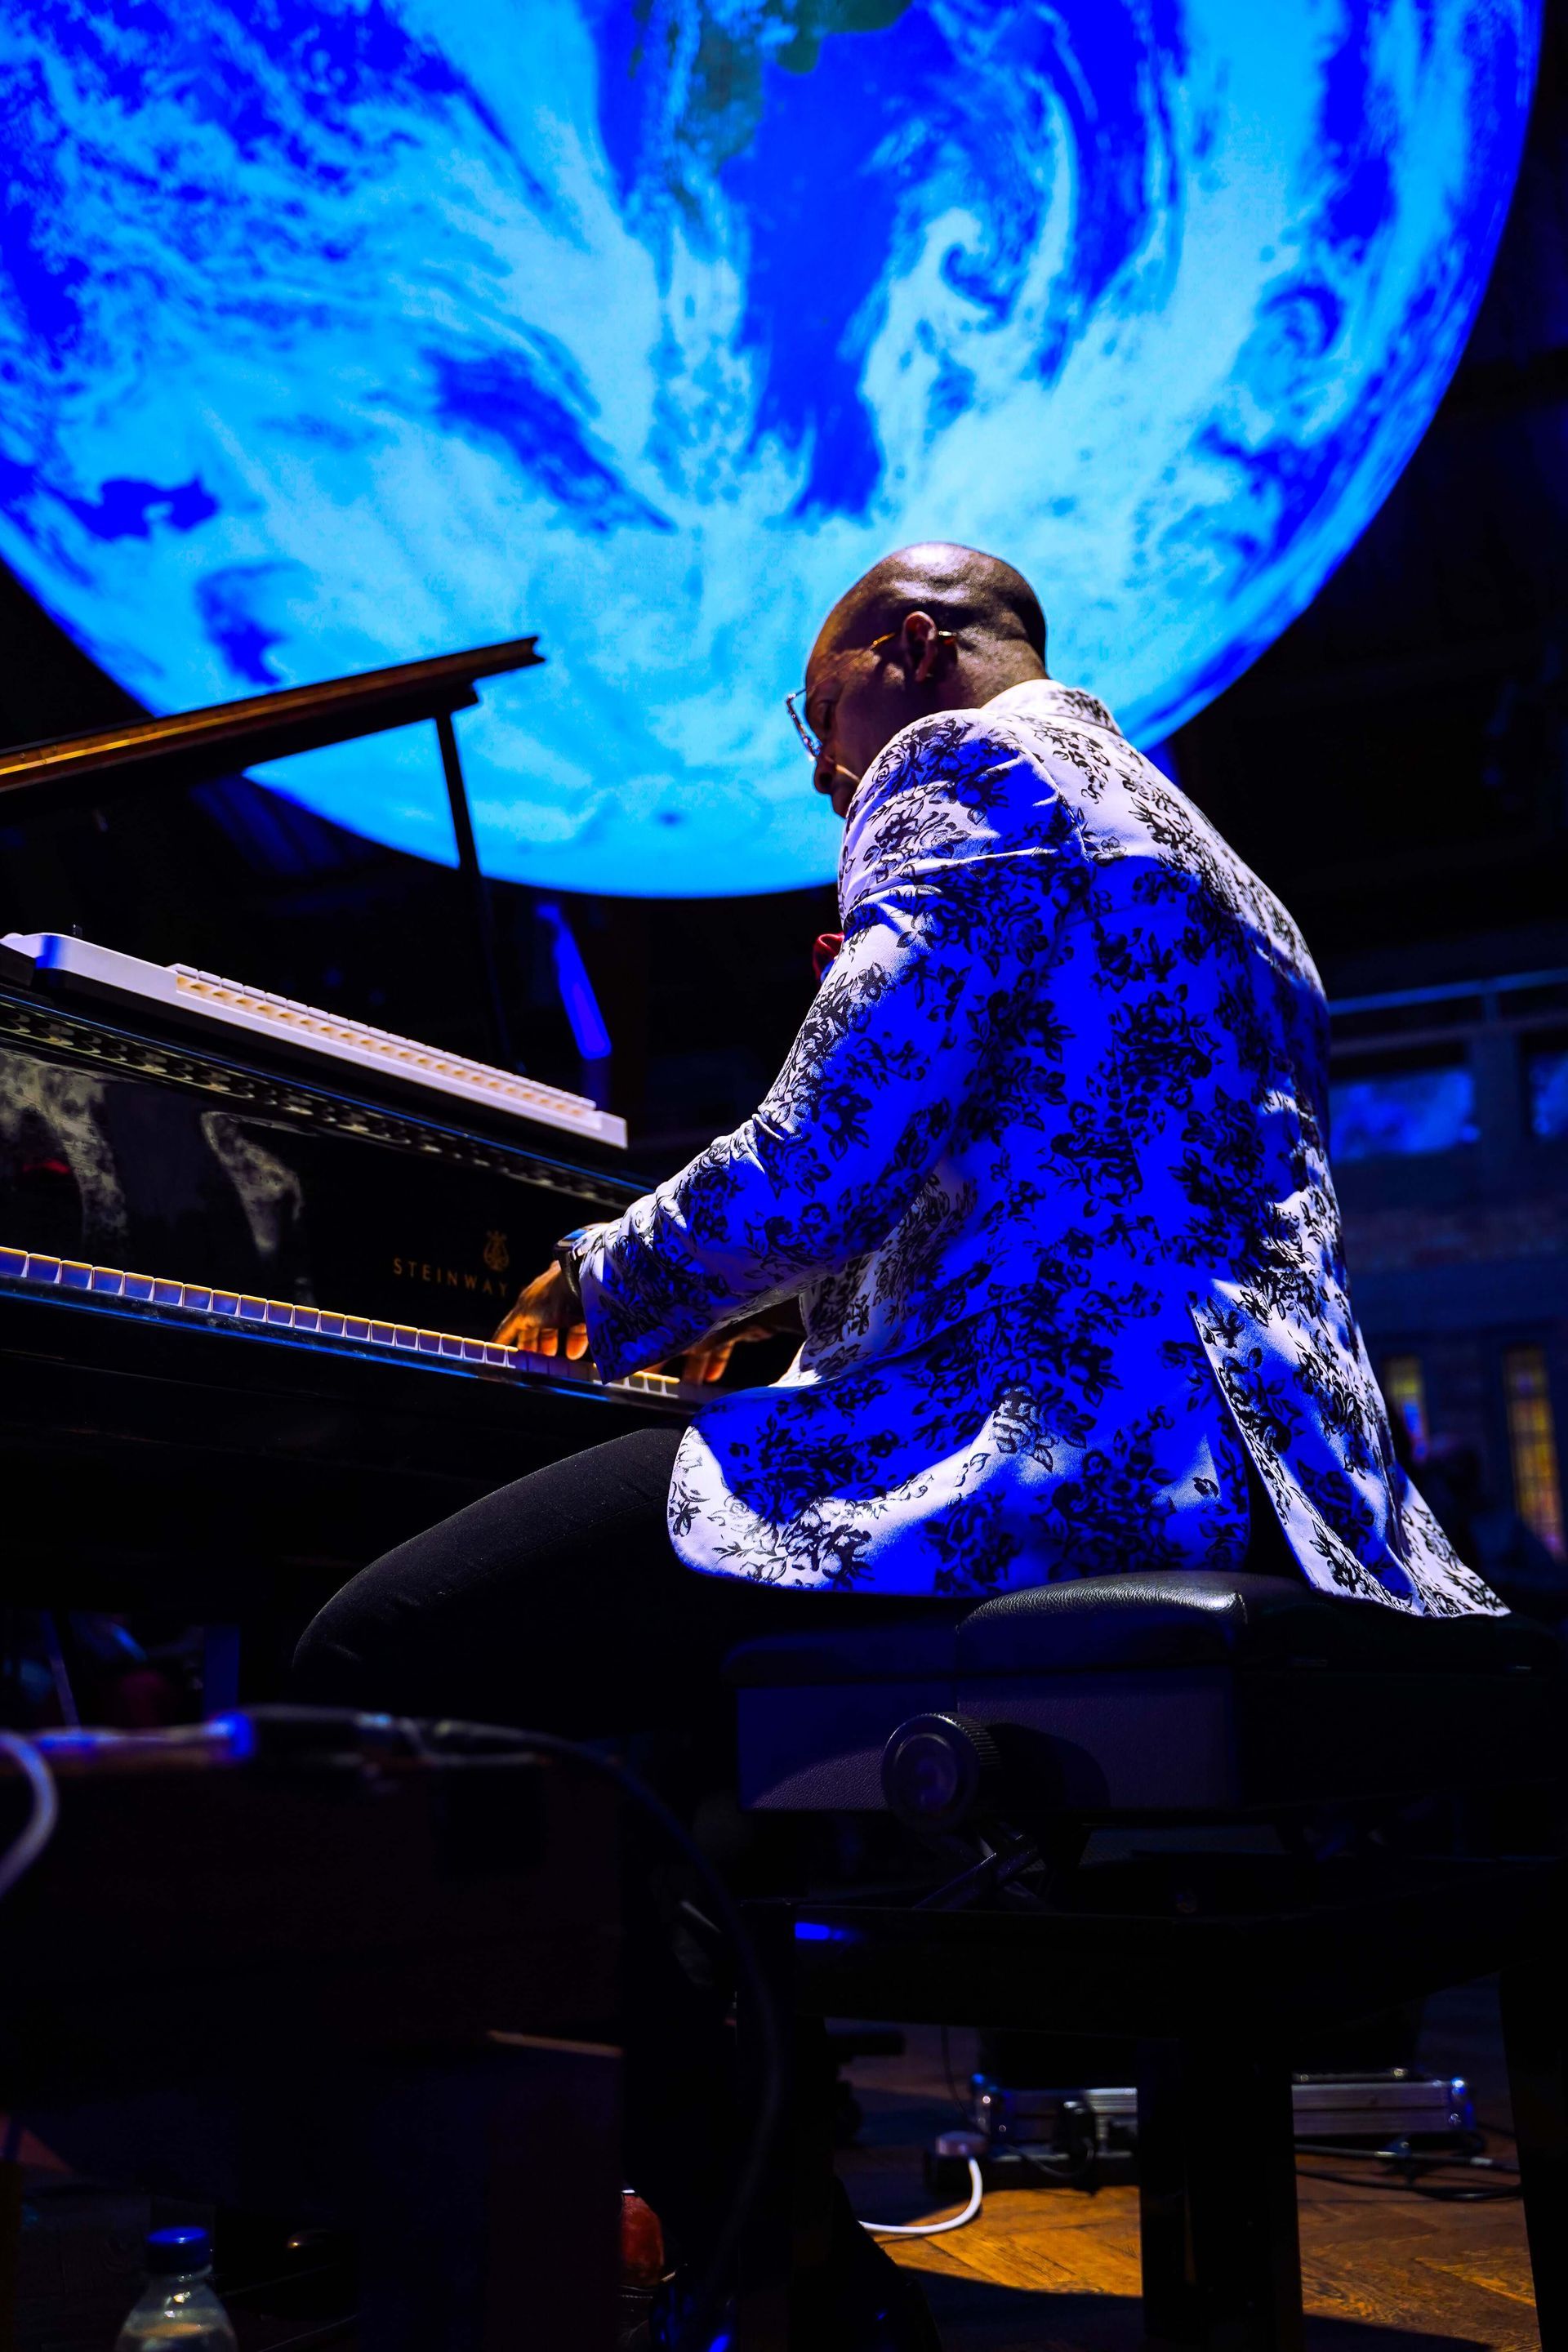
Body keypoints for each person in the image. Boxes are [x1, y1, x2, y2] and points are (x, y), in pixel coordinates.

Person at [294, 542, 1503, 2344]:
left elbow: (832, 1139)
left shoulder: (964, 772)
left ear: (909, 648)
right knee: (656, 1689)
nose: (818, 774)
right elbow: (1063, 1166)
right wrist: (778, 1313)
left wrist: (590, 1285)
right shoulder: (1223, 865)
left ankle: (757, 2237)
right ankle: (749, 2167)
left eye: (821, 722)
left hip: (1046, 1465)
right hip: (1277, 1491)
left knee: (380, 1656)